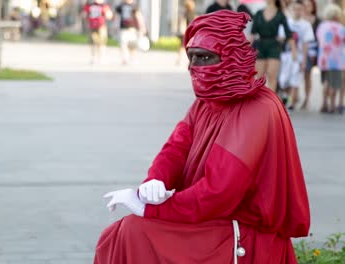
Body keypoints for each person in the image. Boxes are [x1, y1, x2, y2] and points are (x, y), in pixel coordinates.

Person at [95, 10, 310, 264]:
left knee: (133, 232)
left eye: (204, 57)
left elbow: (220, 189)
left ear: (229, 56)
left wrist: (154, 208)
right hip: (211, 219)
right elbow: (175, 148)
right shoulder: (206, 103)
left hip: (241, 231)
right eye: (191, 58)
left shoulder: (258, 108)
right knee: (118, 234)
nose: (195, 67)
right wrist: (154, 182)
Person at [250, 0, 298, 92]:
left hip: (274, 46)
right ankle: (259, 101)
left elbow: (289, 34)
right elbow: (252, 34)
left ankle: (271, 101)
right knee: (259, 77)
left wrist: (294, 50)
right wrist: (243, 50)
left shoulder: (280, 14)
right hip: (260, 45)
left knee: (272, 75)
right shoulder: (259, 13)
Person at [278, 0, 314, 110]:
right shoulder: (286, 22)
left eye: (300, 9)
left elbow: (305, 44)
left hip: (297, 57)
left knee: (295, 80)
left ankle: (290, 103)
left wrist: (303, 61)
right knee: (283, 81)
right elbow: (280, 38)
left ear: (303, 11)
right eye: (295, 9)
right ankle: (284, 97)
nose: (297, 12)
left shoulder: (306, 25)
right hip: (285, 55)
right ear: (291, 10)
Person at [316, 4, 345, 114]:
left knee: (326, 82)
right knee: (335, 83)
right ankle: (332, 105)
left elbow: (319, 40)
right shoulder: (341, 28)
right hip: (336, 61)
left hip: (323, 59)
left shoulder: (321, 26)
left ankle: (324, 103)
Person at [302, 0, 321, 110]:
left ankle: (307, 98)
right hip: (300, 50)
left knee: (307, 76)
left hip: (312, 52)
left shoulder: (317, 20)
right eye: (305, 5)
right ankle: (294, 97)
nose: (307, 7)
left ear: (313, 7)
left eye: (309, 5)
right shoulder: (299, 17)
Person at [115, 0, 147, 65]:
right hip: (123, 28)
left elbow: (139, 16)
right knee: (123, 44)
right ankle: (124, 58)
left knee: (132, 44)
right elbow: (117, 16)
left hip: (132, 28)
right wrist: (115, 26)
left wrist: (142, 26)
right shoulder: (121, 5)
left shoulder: (134, 5)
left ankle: (133, 58)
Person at [82, 0, 113, 65]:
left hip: (101, 25)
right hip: (92, 25)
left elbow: (109, 15)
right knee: (93, 42)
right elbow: (84, 14)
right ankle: (93, 57)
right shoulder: (89, 4)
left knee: (102, 42)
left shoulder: (104, 4)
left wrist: (108, 13)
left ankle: (102, 57)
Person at [176, 0, 197, 65]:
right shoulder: (191, 13)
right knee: (189, 47)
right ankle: (185, 60)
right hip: (189, 32)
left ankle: (180, 60)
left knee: (183, 47)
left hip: (188, 32)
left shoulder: (188, 13)